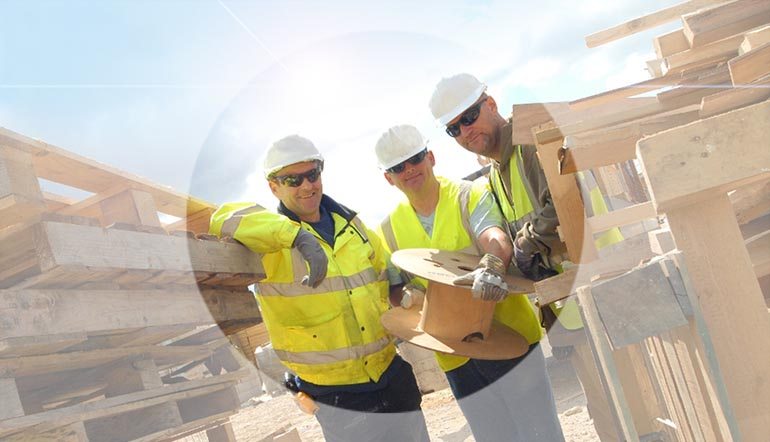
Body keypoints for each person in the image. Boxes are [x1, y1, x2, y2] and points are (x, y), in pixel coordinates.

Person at [430, 73, 624, 441]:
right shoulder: (496, 173)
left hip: (603, 290)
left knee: (634, 408)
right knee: (607, 411)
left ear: (491, 104)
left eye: (469, 117)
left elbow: (566, 200)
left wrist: (525, 243)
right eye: (454, 128)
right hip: (572, 305)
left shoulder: (532, 140)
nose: (465, 131)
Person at [209, 135, 430, 442]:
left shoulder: (356, 228)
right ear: (274, 187)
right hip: (335, 393)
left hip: (389, 374)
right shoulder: (270, 242)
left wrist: (406, 295)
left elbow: (389, 280)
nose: (306, 186)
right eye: (292, 180)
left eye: (312, 174)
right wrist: (296, 236)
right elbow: (221, 219)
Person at [375, 124, 564, 442]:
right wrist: (405, 296)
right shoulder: (388, 229)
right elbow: (395, 288)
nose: (409, 170)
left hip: (511, 338)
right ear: (388, 177)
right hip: (455, 356)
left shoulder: (469, 195)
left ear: (430, 158)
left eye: (415, 159)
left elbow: (494, 236)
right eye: (398, 167)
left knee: (539, 434)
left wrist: (492, 263)